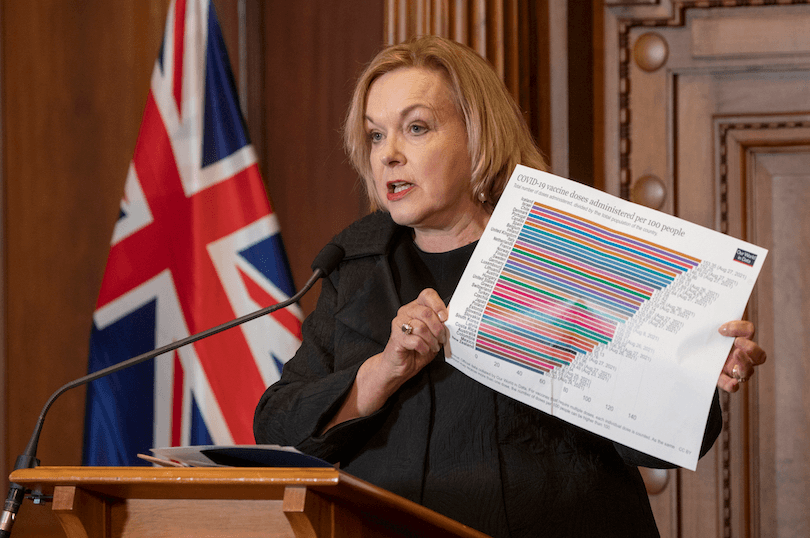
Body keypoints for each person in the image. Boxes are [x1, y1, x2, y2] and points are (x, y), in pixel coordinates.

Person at [254, 35, 766, 537]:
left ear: (478, 136)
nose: (388, 154)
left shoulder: (566, 252)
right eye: (374, 135)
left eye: (415, 128)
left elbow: (656, 445)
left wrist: (695, 375)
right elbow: (277, 426)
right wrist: (381, 373)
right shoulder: (357, 263)